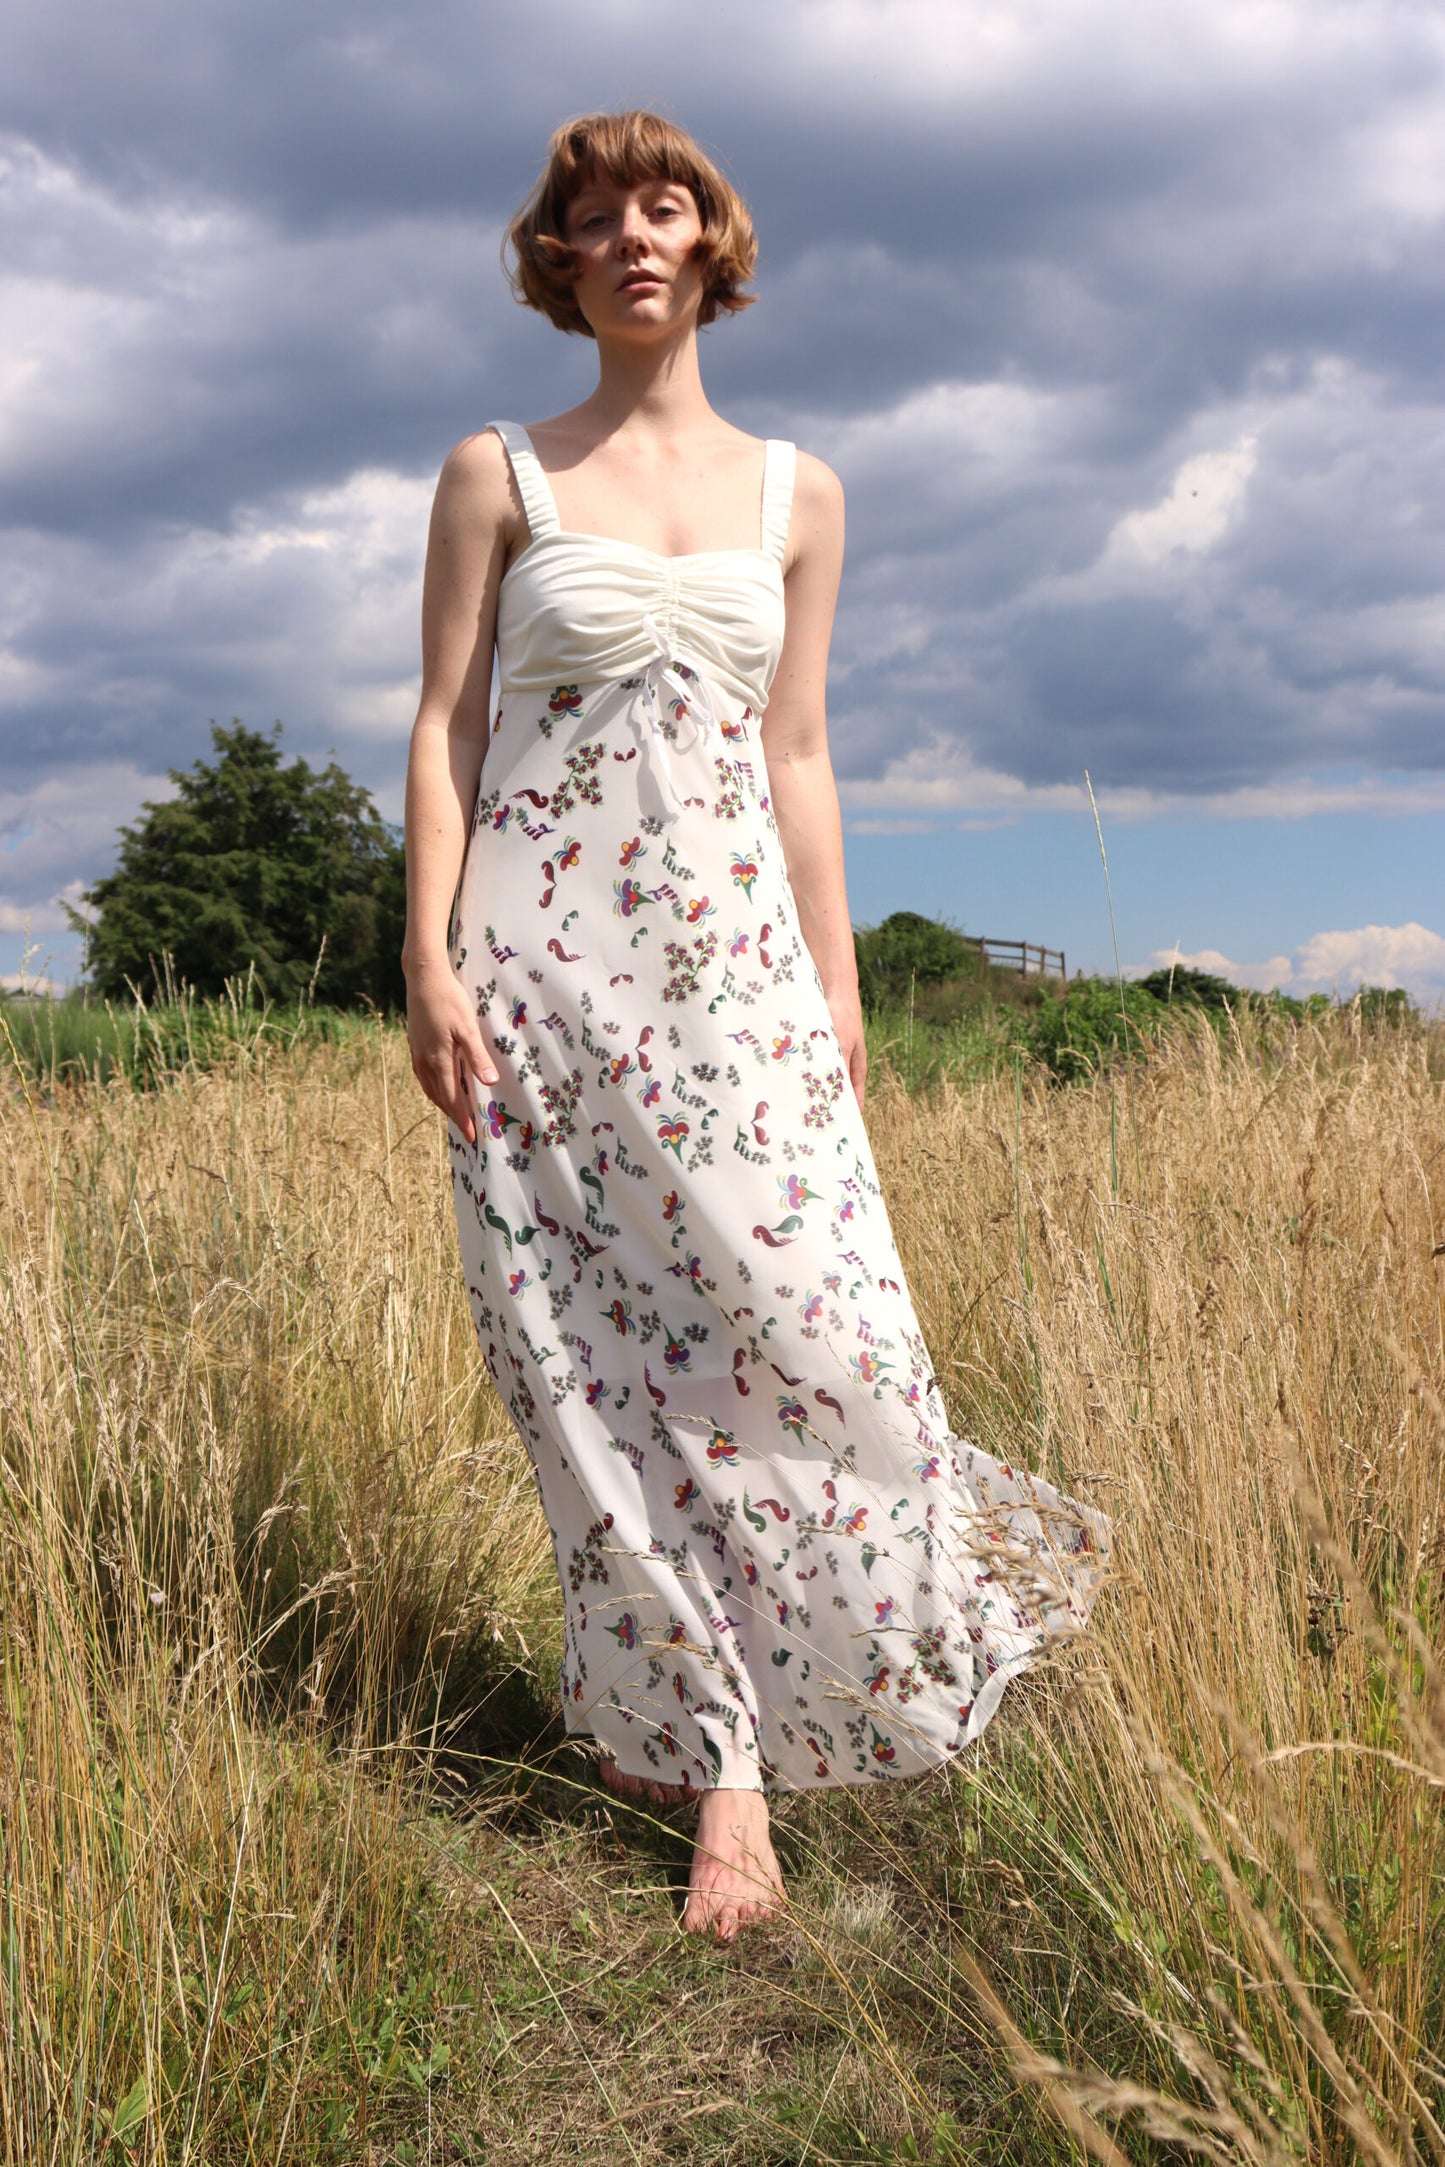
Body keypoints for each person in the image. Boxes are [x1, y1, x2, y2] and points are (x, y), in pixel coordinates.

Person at [402, 109, 1108, 1944]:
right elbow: (447, 730)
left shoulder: (805, 493)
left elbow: (794, 750)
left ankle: (742, 1689)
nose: (628, 234)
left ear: (713, 241)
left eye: (662, 205)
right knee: (587, 1368)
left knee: (812, 1338)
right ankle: (724, 1770)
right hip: (541, 983)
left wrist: (840, 983)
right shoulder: (497, 472)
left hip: (739, 989)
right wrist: (429, 964)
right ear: (552, 258)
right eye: (588, 215)